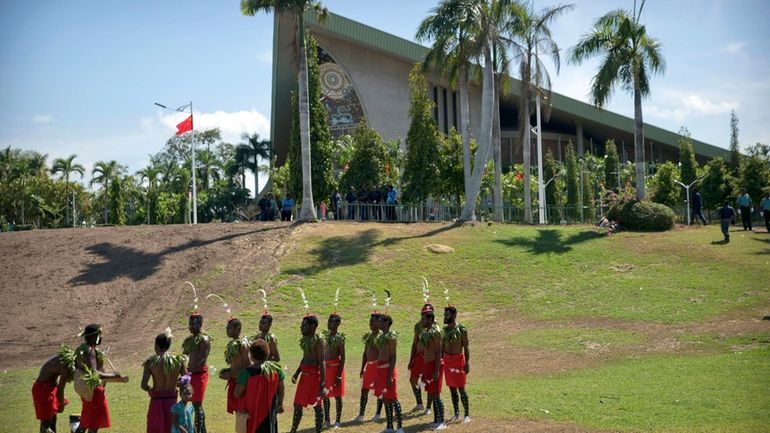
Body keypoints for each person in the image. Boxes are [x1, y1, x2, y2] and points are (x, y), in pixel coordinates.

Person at [74, 324, 128, 433]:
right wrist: (115, 375)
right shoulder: (90, 351)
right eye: (100, 335)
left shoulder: (81, 349)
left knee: (85, 422)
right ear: (94, 336)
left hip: (85, 391)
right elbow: (95, 373)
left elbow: (77, 368)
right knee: (94, 424)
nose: (101, 337)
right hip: (94, 392)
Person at [233, 339, 285, 433]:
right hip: (269, 412)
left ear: (251, 356)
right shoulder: (276, 371)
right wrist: (280, 403)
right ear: (267, 353)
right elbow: (281, 389)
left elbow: (237, 394)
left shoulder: (246, 373)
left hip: (251, 414)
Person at [142, 330, 188, 433]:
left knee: (155, 429)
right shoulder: (178, 360)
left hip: (156, 401)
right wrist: (180, 381)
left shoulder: (151, 362)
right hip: (172, 400)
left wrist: (150, 390)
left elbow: (144, 385)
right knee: (171, 428)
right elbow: (187, 378)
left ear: (157, 346)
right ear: (168, 345)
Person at [289, 315, 325, 433]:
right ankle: (293, 430)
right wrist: (297, 372)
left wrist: (322, 384)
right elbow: (304, 358)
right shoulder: (305, 340)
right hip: (304, 377)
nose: (301, 328)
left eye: (304, 325)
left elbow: (322, 363)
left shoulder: (318, 341)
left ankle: (318, 430)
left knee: (317, 405)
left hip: (315, 377)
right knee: (297, 404)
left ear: (312, 326)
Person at [32, 344, 75, 433]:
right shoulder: (65, 367)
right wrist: (62, 405)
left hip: (50, 387)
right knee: (46, 424)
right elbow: (61, 388)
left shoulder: (63, 359)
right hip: (42, 390)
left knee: (52, 418)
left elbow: (55, 380)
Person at [375, 313, 405, 433]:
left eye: (381, 321)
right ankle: (389, 426)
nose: (378, 323)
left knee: (393, 398)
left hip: (388, 370)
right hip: (381, 370)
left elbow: (393, 357)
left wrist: (390, 375)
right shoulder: (381, 336)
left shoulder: (391, 337)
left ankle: (400, 427)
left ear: (387, 323)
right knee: (385, 398)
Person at [182, 313, 211, 433]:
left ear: (200, 324)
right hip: (191, 374)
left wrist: (190, 372)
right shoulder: (189, 340)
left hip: (199, 375)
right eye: (190, 324)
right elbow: (184, 356)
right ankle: (197, 429)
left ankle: (200, 430)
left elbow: (202, 359)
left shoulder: (204, 339)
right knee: (193, 403)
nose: (191, 326)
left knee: (197, 404)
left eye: (194, 324)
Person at [352, 312, 383, 423]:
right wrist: (362, 368)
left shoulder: (381, 337)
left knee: (379, 391)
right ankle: (361, 414)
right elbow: (365, 353)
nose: (370, 323)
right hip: (369, 367)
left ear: (378, 323)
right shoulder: (369, 336)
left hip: (378, 367)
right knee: (364, 390)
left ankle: (378, 414)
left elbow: (382, 353)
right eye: (369, 321)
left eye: (372, 321)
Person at [419, 306, 446, 429]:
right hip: (428, 365)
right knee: (432, 393)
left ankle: (442, 422)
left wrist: (436, 371)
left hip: (436, 366)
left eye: (424, 319)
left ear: (430, 319)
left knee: (436, 394)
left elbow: (438, 351)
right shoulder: (426, 332)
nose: (422, 321)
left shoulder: (436, 332)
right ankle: (436, 420)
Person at [443, 306, 471, 423]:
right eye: (444, 315)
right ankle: (456, 413)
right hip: (447, 361)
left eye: (447, 315)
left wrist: (467, 363)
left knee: (461, 388)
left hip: (458, 361)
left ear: (454, 316)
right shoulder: (444, 331)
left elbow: (466, 346)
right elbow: (442, 347)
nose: (445, 317)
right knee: (452, 388)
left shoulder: (462, 329)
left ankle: (467, 414)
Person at [219, 318, 252, 415]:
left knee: (244, 412)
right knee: (239, 412)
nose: (227, 330)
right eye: (227, 328)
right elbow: (237, 364)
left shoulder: (243, 344)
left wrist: (231, 374)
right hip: (236, 380)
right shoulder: (233, 344)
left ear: (238, 329)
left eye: (229, 328)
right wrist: (228, 370)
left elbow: (248, 365)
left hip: (242, 382)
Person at [322, 313, 346, 428]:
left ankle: (338, 421)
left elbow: (343, 357)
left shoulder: (340, 338)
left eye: (331, 321)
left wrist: (339, 375)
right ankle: (327, 420)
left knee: (337, 395)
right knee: (325, 394)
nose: (328, 323)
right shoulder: (324, 337)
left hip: (336, 369)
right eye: (328, 321)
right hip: (326, 369)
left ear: (337, 324)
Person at [407, 304, 432, 413]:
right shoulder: (418, 326)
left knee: (429, 382)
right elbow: (414, 343)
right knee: (413, 380)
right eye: (422, 314)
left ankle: (428, 407)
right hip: (418, 356)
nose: (423, 316)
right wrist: (411, 359)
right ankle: (419, 403)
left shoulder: (435, 327)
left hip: (429, 357)